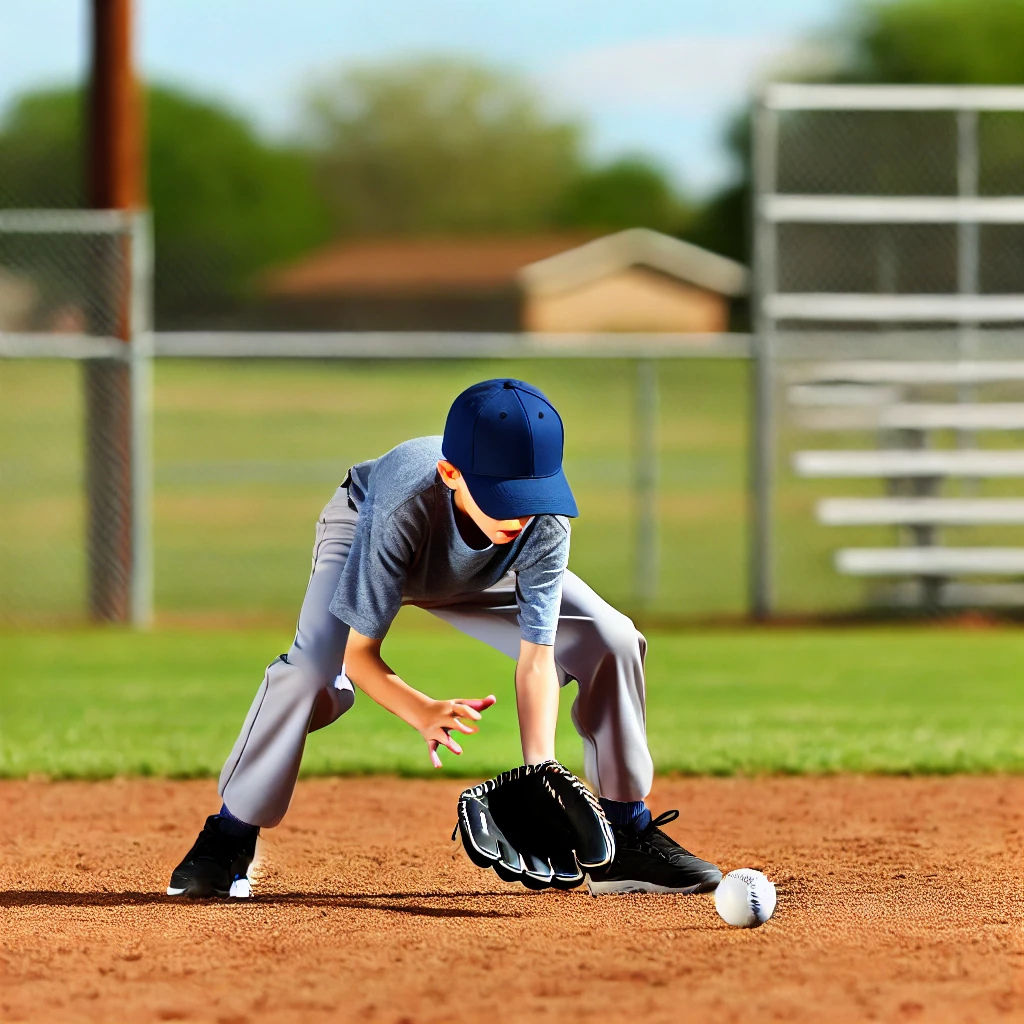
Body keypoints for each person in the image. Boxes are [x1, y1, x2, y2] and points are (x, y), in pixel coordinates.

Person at [167, 378, 722, 898]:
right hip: (371, 529)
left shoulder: (539, 520)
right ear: (451, 473)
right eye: (504, 495)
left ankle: (625, 834)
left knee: (612, 640)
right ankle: (230, 833)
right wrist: (421, 711)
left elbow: (538, 660)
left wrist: (541, 773)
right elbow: (359, 656)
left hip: (484, 568)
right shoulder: (402, 506)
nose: (521, 512)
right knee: (312, 672)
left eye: (534, 493)